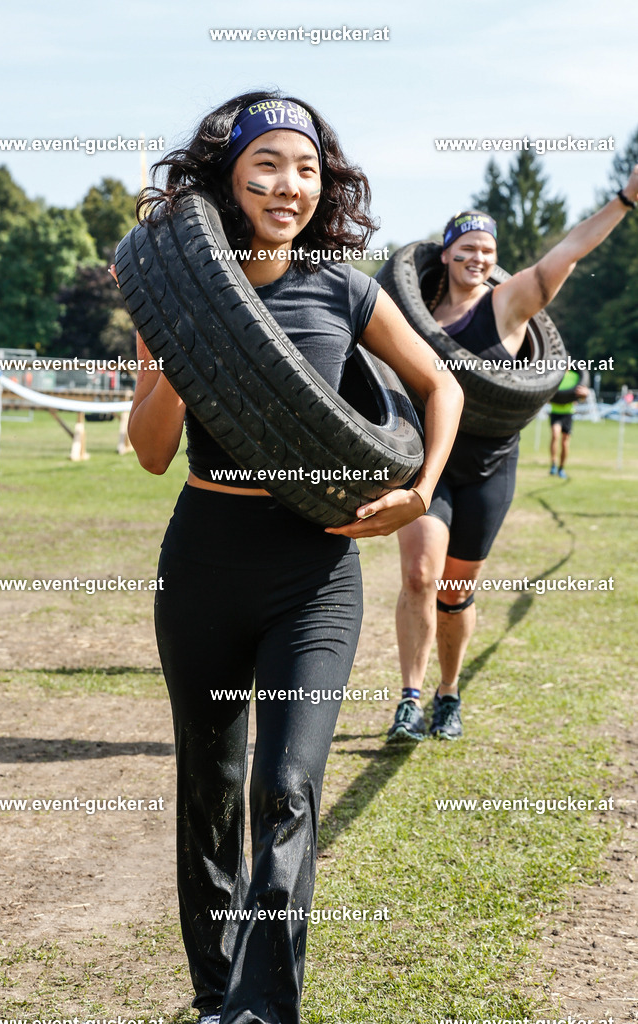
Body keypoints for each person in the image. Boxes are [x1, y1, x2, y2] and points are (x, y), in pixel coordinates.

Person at [121, 90, 462, 1024]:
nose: (288, 184)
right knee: (213, 782)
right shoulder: (175, 292)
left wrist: (421, 490)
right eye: (267, 164)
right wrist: (172, 359)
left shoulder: (341, 286)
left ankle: (265, 1006)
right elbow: (151, 452)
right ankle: (213, 993)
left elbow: (438, 387)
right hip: (204, 562)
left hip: (312, 572)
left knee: (286, 785)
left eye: (306, 167)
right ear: (228, 178)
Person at [386, 167, 638, 745]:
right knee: (419, 574)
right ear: (445, 254)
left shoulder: (505, 305)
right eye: (469, 247)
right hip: (431, 462)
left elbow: (565, 254)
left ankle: (449, 693)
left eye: (489, 250)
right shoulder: (410, 310)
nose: (479, 257)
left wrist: (624, 200)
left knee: (454, 590)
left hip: (489, 467)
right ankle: (409, 697)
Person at [549, 369, 590, 478]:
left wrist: (585, 394)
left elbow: (580, 396)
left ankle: (561, 468)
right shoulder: (554, 375)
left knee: (565, 442)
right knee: (555, 434)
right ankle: (553, 464)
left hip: (568, 412)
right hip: (555, 411)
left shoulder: (575, 376)